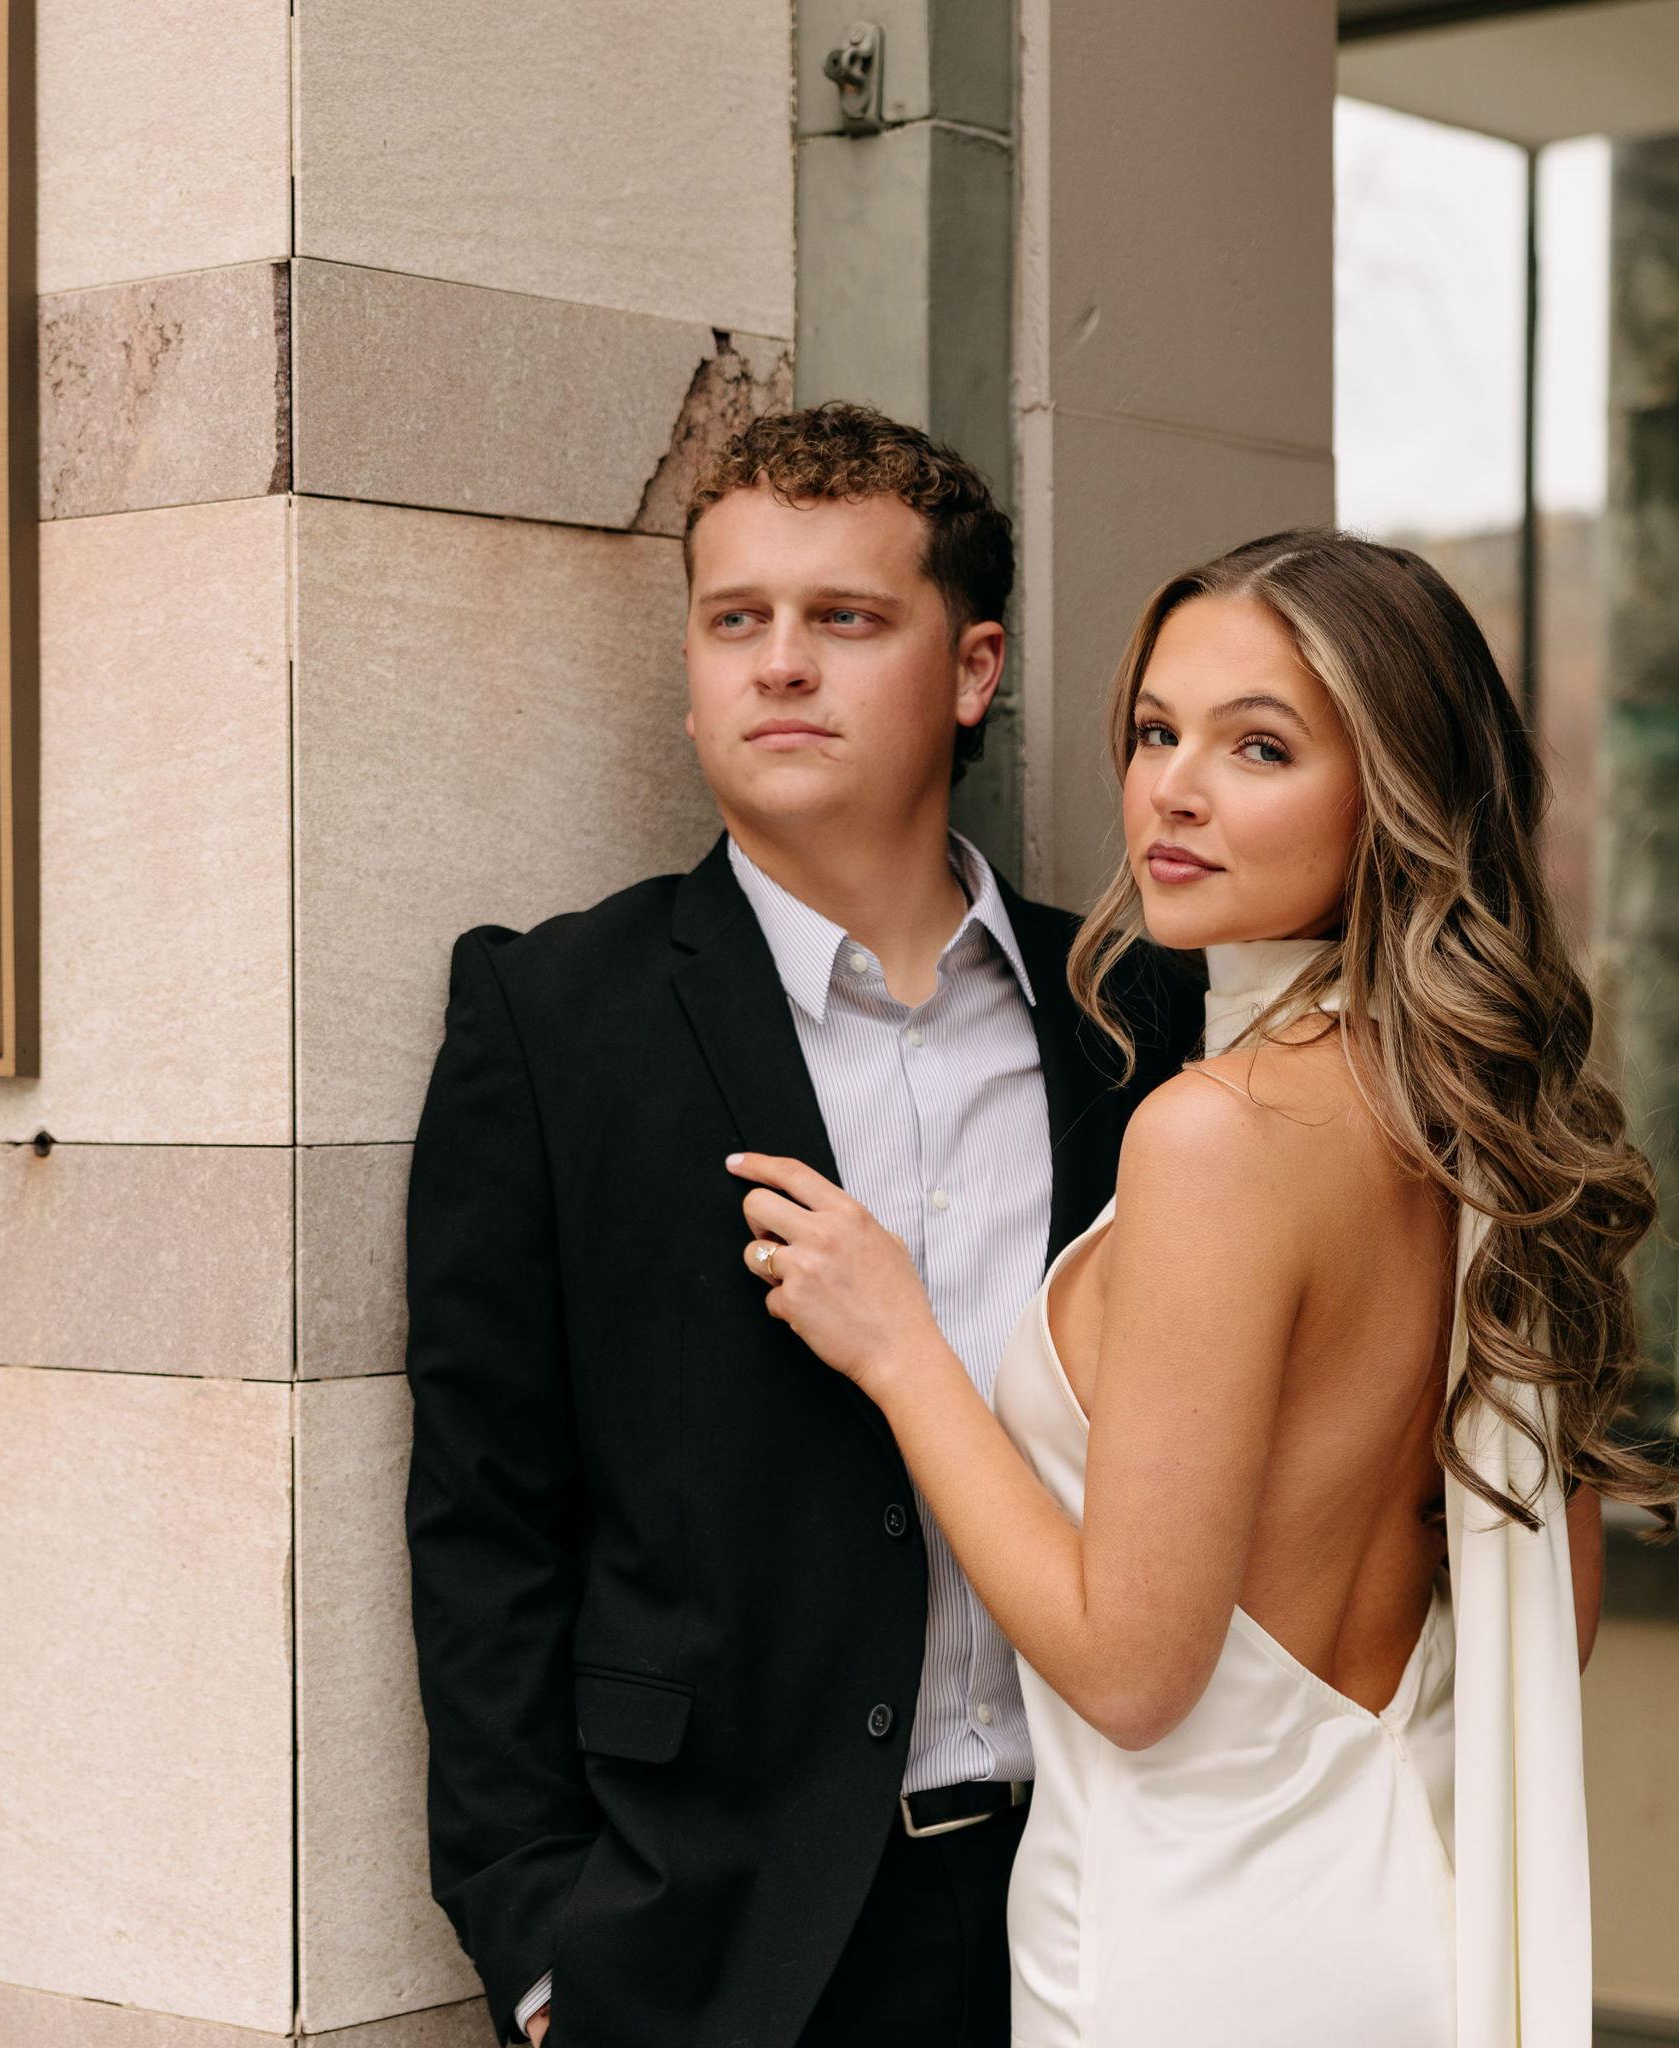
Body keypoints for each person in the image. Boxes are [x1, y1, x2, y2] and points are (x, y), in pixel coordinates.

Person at [730, 528, 1679, 2047]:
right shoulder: (1472, 1122)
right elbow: (1547, 1629)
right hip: (1408, 1910)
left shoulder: (1216, 1136)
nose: (1173, 790)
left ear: (1396, 797)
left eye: (1259, 746)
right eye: (1154, 731)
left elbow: (1133, 1675)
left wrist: (903, 1350)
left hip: (1193, 1949)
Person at [402, 404, 1197, 2048]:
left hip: (1103, 1900)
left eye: (844, 618)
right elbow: (484, 1511)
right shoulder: (554, 1019)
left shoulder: (1136, 1020)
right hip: (723, 1946)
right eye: (734, 620)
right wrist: (541, 1950)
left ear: (972, 670)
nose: (779, 664)